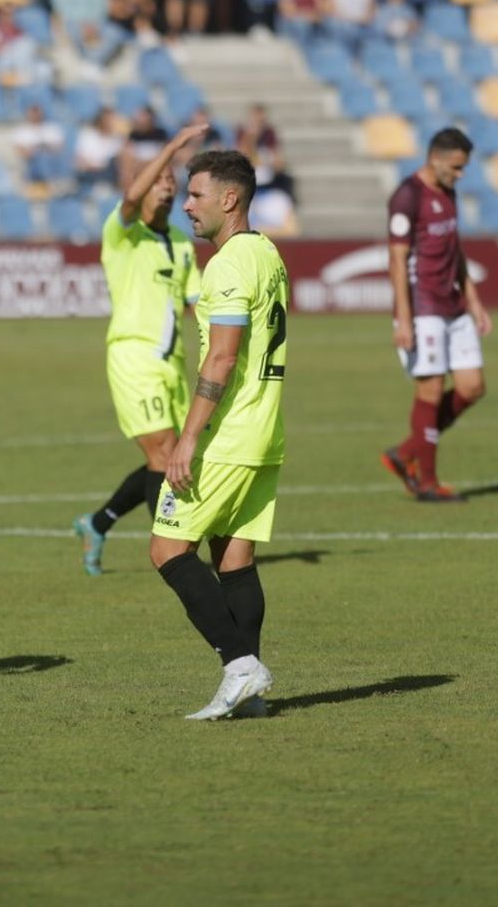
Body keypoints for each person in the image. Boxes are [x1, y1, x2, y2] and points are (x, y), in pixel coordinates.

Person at [148, 149, 285, 721]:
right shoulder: (267, 253)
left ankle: (240, 664)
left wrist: (187, 439)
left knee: (167, 550)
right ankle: (247, 692)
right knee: (234, 558)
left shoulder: (228, 263)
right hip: (265, 431)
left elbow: (222, 358)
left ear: (230, 199)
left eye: (196, 195)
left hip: (228, 436)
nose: (187, 206)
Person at [74, 126, 206, 575]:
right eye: (160, 180)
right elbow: (130, 197)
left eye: (172, 180)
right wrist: (171, 148)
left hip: (173, 365)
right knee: (165, 455)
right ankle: (174, 554)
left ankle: (97, 522)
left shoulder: (182, 243)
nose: (167, 186)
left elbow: (197, 304)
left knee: (171, 458)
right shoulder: (123, 232)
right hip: (134, 359)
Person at [382, 128, 490, 503]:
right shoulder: (407, 195)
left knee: (472, 387)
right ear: (437, 158)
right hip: (423, 306)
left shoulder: (449, 192)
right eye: (457, 167)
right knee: (429, 389)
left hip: (453, 303)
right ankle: (426, 481)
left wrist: (473, 299)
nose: (460, 174)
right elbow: (396, 260)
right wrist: (405, 318)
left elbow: (454, 249)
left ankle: (407, 450)